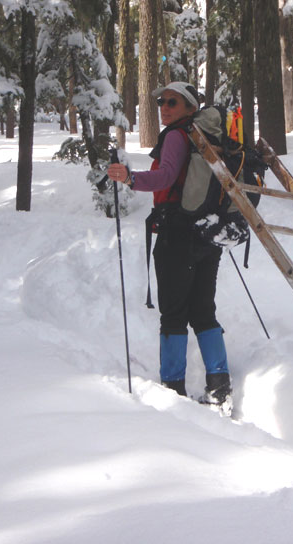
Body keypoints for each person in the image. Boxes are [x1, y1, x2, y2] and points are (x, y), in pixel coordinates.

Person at [107, 81, 232, 414]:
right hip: (208, 233)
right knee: (203, 309)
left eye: (172, 102)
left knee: (174, 313)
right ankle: (220, 385)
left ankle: (173, 390)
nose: (164, 107)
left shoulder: (178, 136)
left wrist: (130, 178)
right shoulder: (202, 137)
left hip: (178, 234)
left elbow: (164, 177)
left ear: (190, 107)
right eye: (161, 101)